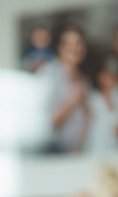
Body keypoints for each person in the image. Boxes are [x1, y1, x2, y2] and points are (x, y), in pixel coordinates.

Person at [40, 23, 92, 153]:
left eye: (79, 43)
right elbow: (43, 124)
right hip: (53, 152)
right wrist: (72, 102)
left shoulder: (84, 79)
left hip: (78, 152)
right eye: (69, 43)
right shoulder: (48, 74)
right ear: (60, 48)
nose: (74, 48)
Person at [86, 53, 118, 153]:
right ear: (99, 76)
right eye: (107, 75)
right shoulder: (93, 99)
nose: (110, 79)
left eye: (114, 76)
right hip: (96, 149)